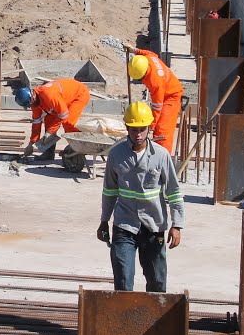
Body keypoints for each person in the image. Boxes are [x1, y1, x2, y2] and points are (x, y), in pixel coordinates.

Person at [98, 101, 184, 292]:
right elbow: (109, 191)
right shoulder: (116, 154)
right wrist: (104, 221)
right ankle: (124, 320)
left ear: (149, 128)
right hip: (124, 225)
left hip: (153, 226)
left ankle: (154, 320)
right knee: (123, 280)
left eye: (142, 129)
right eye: (134, 129)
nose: (138, 134)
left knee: (157, 283)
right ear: (127, 127)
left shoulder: (161, 156)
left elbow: (173, 191)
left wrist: (176, 225)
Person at [124, 44, 184, 153]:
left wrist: (150, 126)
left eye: (141, 79)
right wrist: (135, 50)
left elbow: (157, 107)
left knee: (162, 131)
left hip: (171, 96)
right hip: (167, 92)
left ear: (144, 74)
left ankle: (163, 160)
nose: (142, 81)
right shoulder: (148, 58)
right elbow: (150, 53)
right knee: (158, 129)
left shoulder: (155, 82)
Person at [16, 79, 91, 158]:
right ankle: (49, 153)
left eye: (29, 105)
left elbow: (63, 115)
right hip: (61, 101)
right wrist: (31, 144)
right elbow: (36, 124)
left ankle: (82, 148)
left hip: (79, 94)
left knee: (68, 123)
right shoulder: (35, 103)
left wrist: (50, 132)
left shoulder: (49, 95)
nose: (30, 107)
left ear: (32, 98)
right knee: (49, 121)